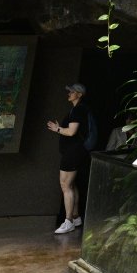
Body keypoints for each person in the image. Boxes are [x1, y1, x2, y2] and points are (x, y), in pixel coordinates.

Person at [45, 83, 91, 234]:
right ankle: (76, 217)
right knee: (71, 185)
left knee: (65, 185)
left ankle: (68, 221)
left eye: (72, 91)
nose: (69, 93)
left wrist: (57, 129)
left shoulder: (78, 109)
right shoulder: (77, 109)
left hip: (73, 153)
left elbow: (71, 132)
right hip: (73, 152)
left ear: (80, 94)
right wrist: (60, 129)